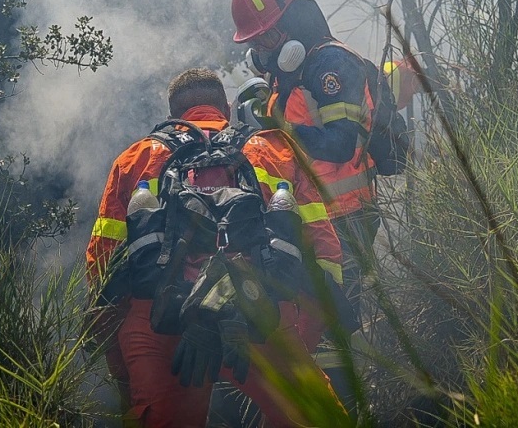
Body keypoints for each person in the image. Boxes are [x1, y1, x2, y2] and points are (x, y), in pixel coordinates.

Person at [85, 68, 345, 428]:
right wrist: (295, 334)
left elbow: (103, 271)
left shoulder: (135, 159)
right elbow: (324, 251)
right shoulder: (273, 149)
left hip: (161, 320)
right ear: (226, 107)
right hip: (256, 310)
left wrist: (123, 367)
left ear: (174, 114)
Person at [230, 0, 386, 417]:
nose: (262, 50)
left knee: (331, 332)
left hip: (346, 218)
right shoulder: (292, 72)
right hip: (315, 220)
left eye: (266, 36)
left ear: (294, 20)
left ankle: (342, 413)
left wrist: (275, 124)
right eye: (256, 42)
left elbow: (341, 144)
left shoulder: (329, 64)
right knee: (308, 328)